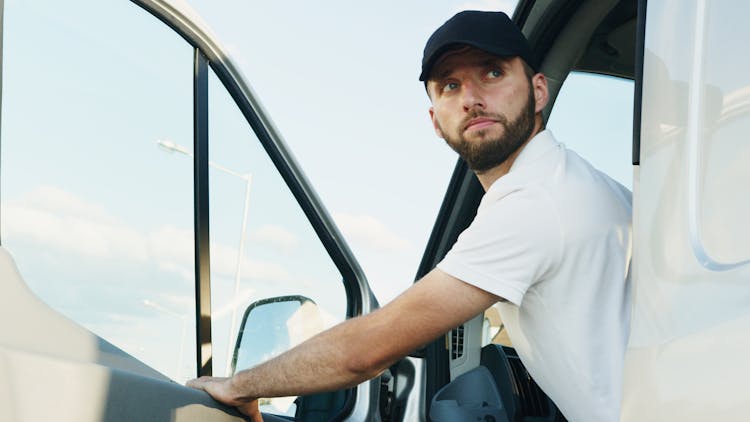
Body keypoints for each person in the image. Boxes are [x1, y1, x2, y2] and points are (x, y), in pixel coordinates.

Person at [188, 10, 632, 422]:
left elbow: (363, 352)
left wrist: (240, 385)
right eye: (449, 86)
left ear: (538, 90)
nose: (472, 98)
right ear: (435, 120)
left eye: (492, 73)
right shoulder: (583, 184)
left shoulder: (534, 201)